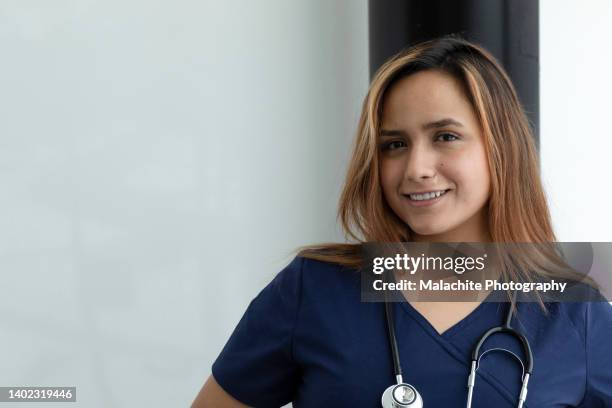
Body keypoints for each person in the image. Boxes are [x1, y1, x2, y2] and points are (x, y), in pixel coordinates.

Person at [192, 36, 612, 407]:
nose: (417, 168)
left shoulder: (574, 310)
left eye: (445, 136)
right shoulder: (315, 288)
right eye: (394, 144)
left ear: (501, 148)